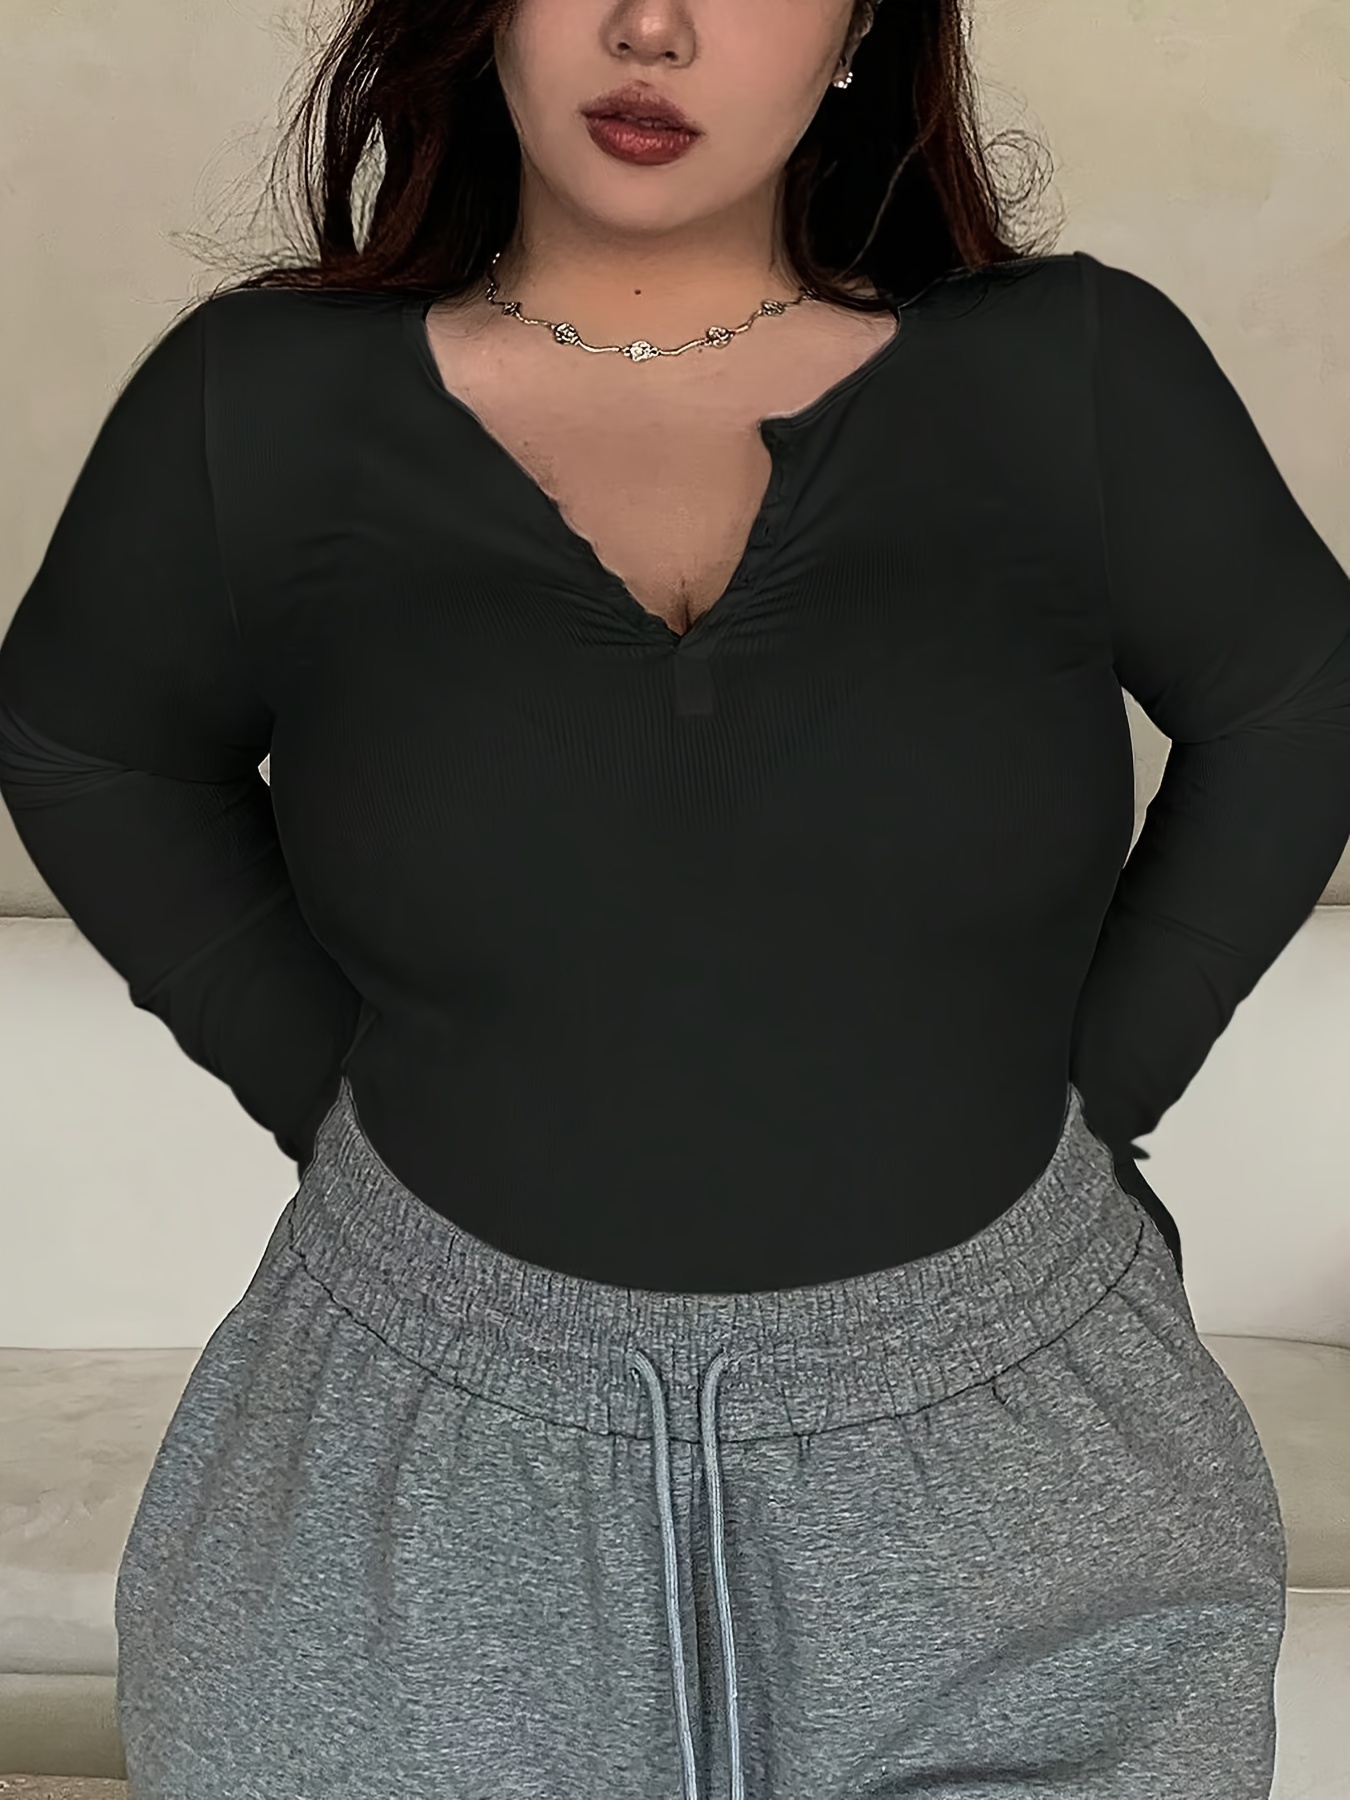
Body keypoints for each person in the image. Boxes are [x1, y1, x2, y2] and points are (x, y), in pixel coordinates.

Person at [2, 0, 1347, 1793]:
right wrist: (333, 1091)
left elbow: (1295, 701)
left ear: (862, 28)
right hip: (399, 1501)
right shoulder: (259, 403)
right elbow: (89, 744)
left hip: (1022, 1499)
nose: (652, 25)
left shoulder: (1070, 374)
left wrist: (1093, 1095)